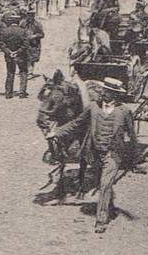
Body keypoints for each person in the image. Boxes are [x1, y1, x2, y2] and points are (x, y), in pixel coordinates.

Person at [46, 78, 137, 234]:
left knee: (105, 184)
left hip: (112, 154)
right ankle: (108, 205)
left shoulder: (125, 112)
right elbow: (77, 123)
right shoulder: (93, 108)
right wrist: (57, 132)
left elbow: (131, 135)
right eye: (103, 91)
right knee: (103, 183)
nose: (103, 93)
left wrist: (131, 155)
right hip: (95, 153)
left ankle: (101, 220)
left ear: (115, 95)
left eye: (107, 92)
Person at [0, 12, 30, 99]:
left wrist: (9, 52)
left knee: (10, 73)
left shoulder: (4, 31)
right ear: (18, 22)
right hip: (21, 56)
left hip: (9, 56)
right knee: (23, 72)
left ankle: (8, 93)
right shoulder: (23, 31)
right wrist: (18, 51)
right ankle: (22, 93)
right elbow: (26, 44)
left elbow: (2, 44)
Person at [21, 7, 44, 73]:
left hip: (33, 44)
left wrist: (34, 36)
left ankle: (30, 71)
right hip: (25, 42)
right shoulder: (23, 23)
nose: (29, 17)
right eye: (28, 15)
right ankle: (24, 71)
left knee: (32, 58)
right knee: (23, 57)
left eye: (31, 15)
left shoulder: (37, 24)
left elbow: (42, 34)